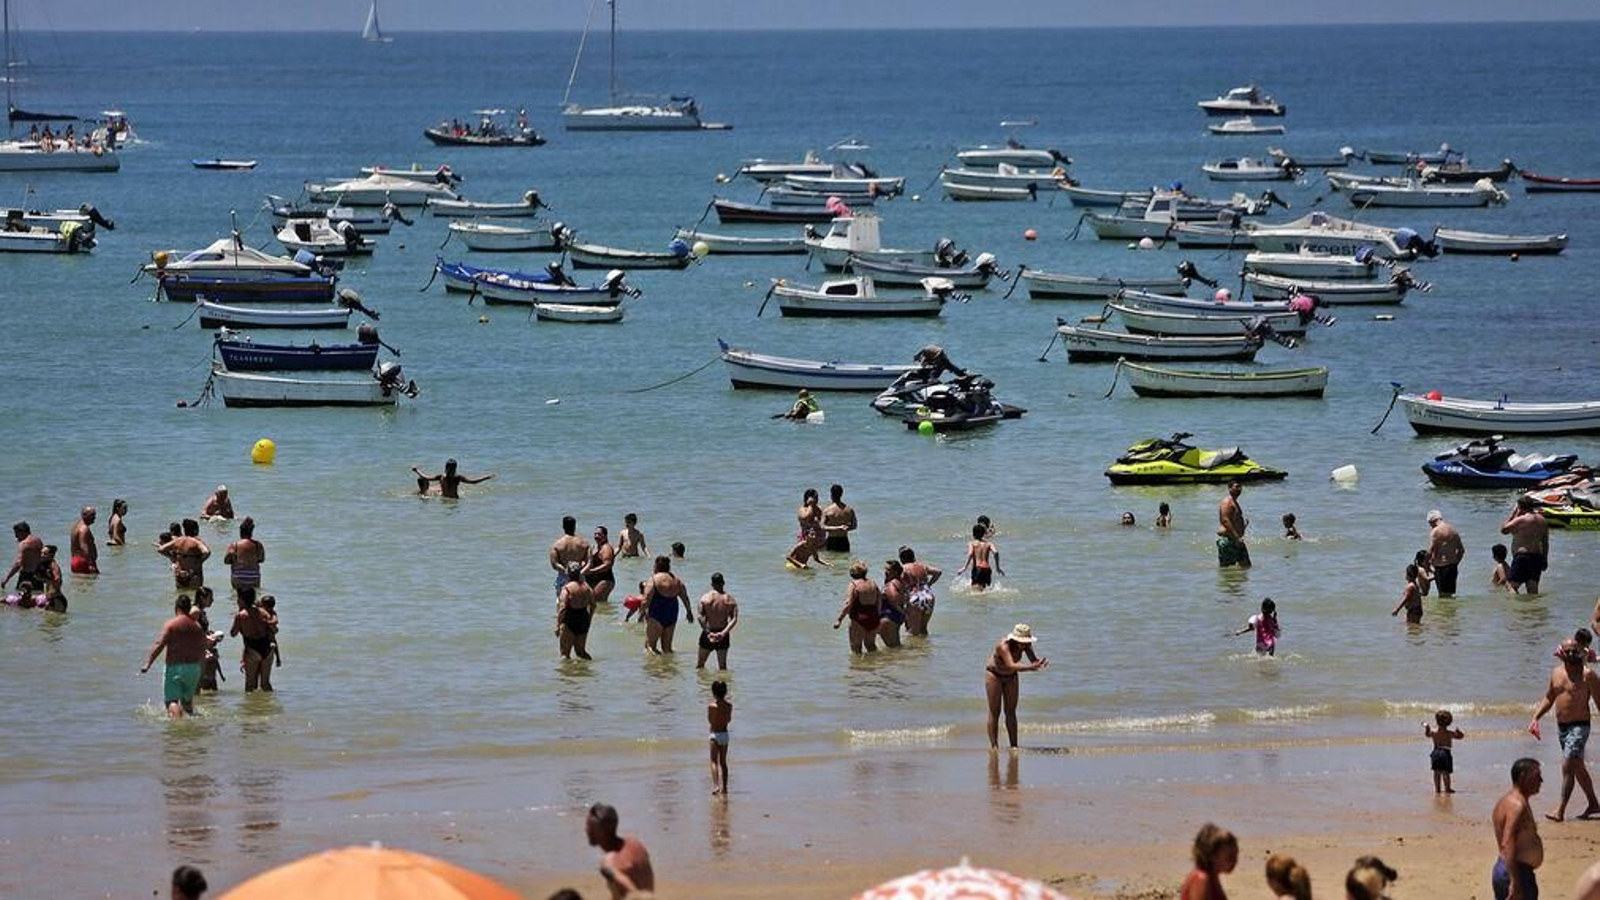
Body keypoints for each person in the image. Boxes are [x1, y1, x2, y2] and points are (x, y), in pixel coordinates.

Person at [1529, 640, 1600, 822]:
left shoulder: (1588, 675)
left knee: (1568, 763)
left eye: (1573, 651)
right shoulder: (1556, 673)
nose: (1570, 654)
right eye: (1566, 651)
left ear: (1579, 651)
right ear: (1560, 652)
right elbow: (1549, 697)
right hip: (1562, 728)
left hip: (1580, 725)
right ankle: (1593, 804)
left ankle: (1560, 810)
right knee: (1577, 767)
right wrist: (1535, 718)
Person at [141, 596, 208, 718]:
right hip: (193, 669)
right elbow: (202, 649)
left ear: (176, 607)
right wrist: (201, 671)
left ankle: (178, 725)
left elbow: (159, 644)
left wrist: (148, 663)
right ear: (189, 608)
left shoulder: (171, 624)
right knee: (187, 702)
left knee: (171, 701)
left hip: (175, 668)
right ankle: (190, 729)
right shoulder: (197, 627)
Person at [985, 624, 1047, 750]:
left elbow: (1033, 660)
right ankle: (994, 746)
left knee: (1011, 711)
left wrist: (1039, 663)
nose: (1025, 645)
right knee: (995, 711)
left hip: (1011, 676)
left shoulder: (1026, 646)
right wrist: (1030, 668)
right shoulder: (1003, 646)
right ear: (1015, 639)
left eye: (1026, 642)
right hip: (994, 675)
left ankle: (1014, 746)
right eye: (1022, 642)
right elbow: (1011, 665)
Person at [1491, 758, 1544, 900]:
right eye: (1537, 775)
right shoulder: (1517, 806)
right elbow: (1508, 841)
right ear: (1523, 776)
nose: (1541, 780)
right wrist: (1515, 882)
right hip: (1515, 871)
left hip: (1508, 869)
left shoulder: (1506, 801)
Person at [585, 803, 654, 899]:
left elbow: (635, 895)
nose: (586, 829)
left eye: (588, 826)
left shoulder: (608, 863)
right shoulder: (635, 843)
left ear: (600, 831)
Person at [642, 556, 692, 654]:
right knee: (667, 648)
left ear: (656, 566)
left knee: (650, 646)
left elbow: (646, 599)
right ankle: (668, 667)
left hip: (656, 613)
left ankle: (655, 668)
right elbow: (685, 598)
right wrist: (688, 612)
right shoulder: (677, 581)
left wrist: (641, 612)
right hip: (672, 613)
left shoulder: (654, 579)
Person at [230, 587, 276, 692]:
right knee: (265, 683)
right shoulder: (263, 612)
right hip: (267, 648)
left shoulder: (241, 615)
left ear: (241, 599)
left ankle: (251, 708)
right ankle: (269, 706)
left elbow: (233, 633)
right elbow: (274, 629)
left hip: (252, 649)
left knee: (250, 685)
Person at [1502, 496, 1550, 594]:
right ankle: (1532, 609)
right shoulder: (1543, 520)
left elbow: (1504, 530)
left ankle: (1515, 608)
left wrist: (1513, 514)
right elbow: (1545, 542)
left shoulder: (1522, 519)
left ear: (1520, 507)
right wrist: (1545, 559)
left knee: (1510, 585)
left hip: (1523, 557)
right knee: (1532, 589)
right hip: (1537, 557)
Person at [833, 561, 883, 654]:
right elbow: (879, 601)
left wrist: (839, 619)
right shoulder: (873, 583)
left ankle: (858, 667)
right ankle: (874, 665)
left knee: (855, 647)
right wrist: (878, 616)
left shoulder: (853, 584)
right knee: (870, 645)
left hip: (859, 618)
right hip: (873, 617)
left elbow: (848, 603)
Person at [1180, 823, 1238, 900]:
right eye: (1230, 857)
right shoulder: (1201, 879)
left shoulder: (1212, 876)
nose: (1235, 861)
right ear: (1212, 856)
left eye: (1236, 855)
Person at [157, 520, 211, 599]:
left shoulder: (178, 540)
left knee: (181, 599)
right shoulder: (196, 541)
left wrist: (173, 558)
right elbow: (207, 552)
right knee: (195, 599)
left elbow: (161, 549)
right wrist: (200, 561)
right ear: (195, 530)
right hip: (193, 575)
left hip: (180, 574)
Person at [696, 573, 738, 670]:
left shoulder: (704, 598)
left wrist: (708, 632)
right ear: (723, 583)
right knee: (722, 667)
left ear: (712, 584)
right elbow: (734, 619)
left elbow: (700, 617)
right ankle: (723, 683)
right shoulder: (730, 600)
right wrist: (723, 633)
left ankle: (702, 685)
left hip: (708, 634)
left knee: (700, 665)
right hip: (723, 635)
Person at [899, 546, 941, 637]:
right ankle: (925, 649)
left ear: (901, 558)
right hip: (928, 596)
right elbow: (938, 572)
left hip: (914, 597)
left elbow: (899, 584)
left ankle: (916, 650)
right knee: (923, 628)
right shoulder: (922, 566)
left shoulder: (903, 568)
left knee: (913, 631)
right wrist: (929, 584)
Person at [556, 562, 595, 661]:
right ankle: (590, 669)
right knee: (581, 652)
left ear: (568, 573)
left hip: (570, 618)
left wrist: (557, 625)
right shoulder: (587, 587)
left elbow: (563, 607)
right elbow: (593, 605)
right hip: (583, 618)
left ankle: (566, 676)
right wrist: (589, 619)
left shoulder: (567, 589)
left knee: (565, 653)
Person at [1427, 509, 1466, 598]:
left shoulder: (1435, 531)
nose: (1431, 527)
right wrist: (1456, 563)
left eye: (1430, 524)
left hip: (1441, 567)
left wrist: (1426, 566)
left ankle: (1443, 612)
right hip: (1452, 567)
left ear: (1432, 521)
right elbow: (1461, 550)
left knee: (1442, 596)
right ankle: (1451, 612)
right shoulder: (1453, 530)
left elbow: (1431, 551)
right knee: (1451, 595)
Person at [1426, 709, 1466, 794]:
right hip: (1445, 753)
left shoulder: (1434, 732)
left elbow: (1427, 735)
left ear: (1437, 721)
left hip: (1436, 752)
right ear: (1449, 723)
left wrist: (1427, 728)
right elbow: (1460, 737)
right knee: (1446, 772)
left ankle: (1437, 789)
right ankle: (1447, 788)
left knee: (1436, 772)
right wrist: (1459, 732)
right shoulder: (1449, 733)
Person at [412, 458, 493, 499]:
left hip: (444, 500)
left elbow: (426, 477)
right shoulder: (457, 477)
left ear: (445, 468)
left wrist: (417, 471)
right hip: (454, 500)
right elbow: (473, 482)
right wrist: (485, 477)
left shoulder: (442, 477)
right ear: (455, 468)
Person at [550, 516, 591, 597]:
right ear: (575, 526)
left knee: (562, 605)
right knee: (580, 604)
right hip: (579, 578)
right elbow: (589, 563)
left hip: (563, 577)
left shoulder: (557, 545)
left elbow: (554, 564)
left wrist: (566, 571)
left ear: (563, 527)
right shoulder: (584, 543)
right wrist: (580, 573)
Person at [224, 517, 265, 593]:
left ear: (240, 531)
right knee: (253, 598)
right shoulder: (258, 545)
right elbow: (261, 559)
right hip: (254, 576)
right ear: (251, 531)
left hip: (238, 576)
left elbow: (226, 561)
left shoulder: (235, 545)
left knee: (238, 598)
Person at [959, 523, 1004, 591]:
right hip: (987, 569)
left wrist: (964, 567)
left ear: (973, 534)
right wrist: (998, 568)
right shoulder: (989, 543)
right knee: (984, 591)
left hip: (978, 569)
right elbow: (996, 553)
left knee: (975, 592)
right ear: (984, 534)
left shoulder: (972, 543)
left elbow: (970, 554)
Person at [2, 521, 45, 591]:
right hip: (38, 575)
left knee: (21, 598)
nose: (16, 536)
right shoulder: (38, 540)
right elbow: (43, 556)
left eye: (16, 533)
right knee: (38, 597)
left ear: (22, 532)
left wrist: (7, 578)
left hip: (26, 576)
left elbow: (18, 563)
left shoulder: (24, 544)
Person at [1216, 482, 1250, 568]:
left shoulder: (1234, 502)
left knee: (1246, 567)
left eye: (1240, 487)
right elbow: (1225, 520)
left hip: (1236, 540)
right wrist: (1237, 537)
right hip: (1229, 540)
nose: (1239, 489)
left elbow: (1232, 520)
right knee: (1226, 570)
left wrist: (1243, 526)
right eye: (1236, 487)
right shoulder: (1227, 502)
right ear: (1229, 488)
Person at [708, 680, 732, 795]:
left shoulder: (711, 706)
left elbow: (710, 721)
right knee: (723, 762)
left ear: (713, 692)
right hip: (724, 734)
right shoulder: (729, 706)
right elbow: (728, 720)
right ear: (725, 692)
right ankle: (725, 787)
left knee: (713, 761)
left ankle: (716, 785)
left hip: (714, 734)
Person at [878, 559, 908, 648]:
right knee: (896, 646)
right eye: (885, 569)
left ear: (895, 572)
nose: (885, 572)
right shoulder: (899, 581)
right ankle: (901, 660)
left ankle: (893, 661)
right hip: (895, 616)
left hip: (889, 616)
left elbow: (894, 598)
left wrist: (901, 611)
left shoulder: (891, 584)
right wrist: (903, 613)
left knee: (891, 647)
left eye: (888, 570)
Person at [820, 484, 857, 553]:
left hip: (831, 540)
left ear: (831, 494)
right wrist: (844, 528)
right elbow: (854, 526)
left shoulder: (827, 510)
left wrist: (836, 528)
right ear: (841, 494)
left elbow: (822, 527)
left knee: (831, 561)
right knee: (845, 561)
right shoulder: (849, 510)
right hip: (844, 540)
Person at [585, 526, 617, 604]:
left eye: (599, 534)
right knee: (595, 604)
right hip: (594, 580)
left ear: (605, 536)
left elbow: (607, 565)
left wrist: (592, 571)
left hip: (605, 580)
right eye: (595, 534)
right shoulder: (594, 547)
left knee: (597, 603)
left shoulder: (606, 548)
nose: (596, 536)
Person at [69, 506, 99, 575]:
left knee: (80, 584)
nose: (95, 517)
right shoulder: (84, 529)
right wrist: (90, 563)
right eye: (92, 515)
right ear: (84, 515)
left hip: (75, 560)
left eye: (94, 515)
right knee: (90, 584)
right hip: (84, 561)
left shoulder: (76, 526)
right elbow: (83, 546)